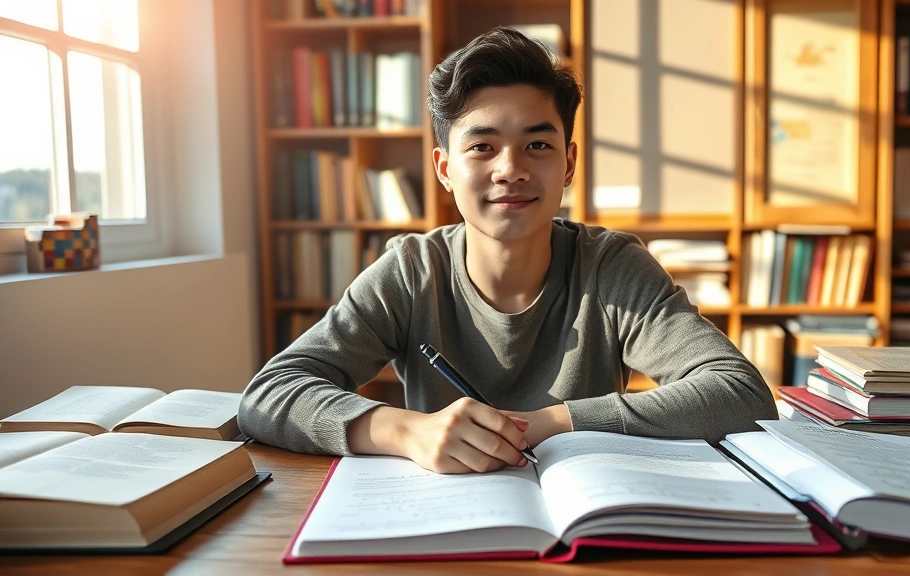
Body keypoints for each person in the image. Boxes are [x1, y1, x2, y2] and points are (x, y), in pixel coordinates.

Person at [239, 26, 776, 474]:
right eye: (482, 146)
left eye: (537, 145)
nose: (510, 169)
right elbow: (269, 394)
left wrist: (551, 422)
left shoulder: (611, 266)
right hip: (446, 516)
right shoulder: (411, 270)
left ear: (567, 164)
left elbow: (742, 395)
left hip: (589, 512)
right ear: (445, 169)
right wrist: (405, 430)